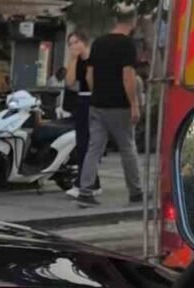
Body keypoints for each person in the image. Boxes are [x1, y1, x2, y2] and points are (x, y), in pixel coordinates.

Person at [77, 7, 144, 207]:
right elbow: (128, 76)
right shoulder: (127, 45)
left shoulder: (98, 42)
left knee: (94, 148)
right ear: (133, 21)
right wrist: (134, 105)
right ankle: (135, 192)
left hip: (97, 104)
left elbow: (89, 74)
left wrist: (97, 92)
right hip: (119, 106)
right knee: (127, 147)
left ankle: (85, 191)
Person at [64, 30, 100, 198]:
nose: (73, 46)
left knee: (90, 144)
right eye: (70, 44)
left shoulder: (94, 59)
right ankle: (92, 182)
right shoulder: (76, 61)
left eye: (76, 42)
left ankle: (83, 182)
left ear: (84, 42)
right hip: (81, 100)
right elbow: (70, 82)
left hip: (94, 101)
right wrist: (72, 59)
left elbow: (93, 83)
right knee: (82, 144)